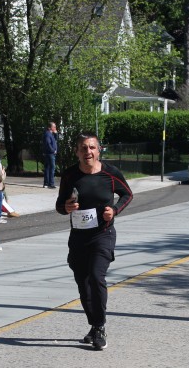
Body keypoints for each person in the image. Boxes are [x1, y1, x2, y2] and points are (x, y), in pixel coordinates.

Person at [56, 133, 133, 351]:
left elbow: (127, 194)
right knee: (83, 283)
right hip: (78, 237)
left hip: (103, 235)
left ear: (99, 150)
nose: (87, 152)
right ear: (77, 152)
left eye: (91, 147)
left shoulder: (110, 173)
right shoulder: (70, 175)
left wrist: (114, 210)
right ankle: (94, 325)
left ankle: (99, 327)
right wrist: (66, 207)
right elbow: (60, 204)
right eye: (83, 148)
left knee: (96, 277)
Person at [42, 122, 58, 189]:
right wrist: (53, 150)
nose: (55, 128)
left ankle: (46, 183)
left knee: (48, 168)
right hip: (50, 153)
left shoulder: (51, 134)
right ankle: (51, 184)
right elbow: (48, 144)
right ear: (49, 127)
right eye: (54, 127)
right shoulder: (48, 134)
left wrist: (56, 133)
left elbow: (56, 140)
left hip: (49, 153)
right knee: (51, 168)